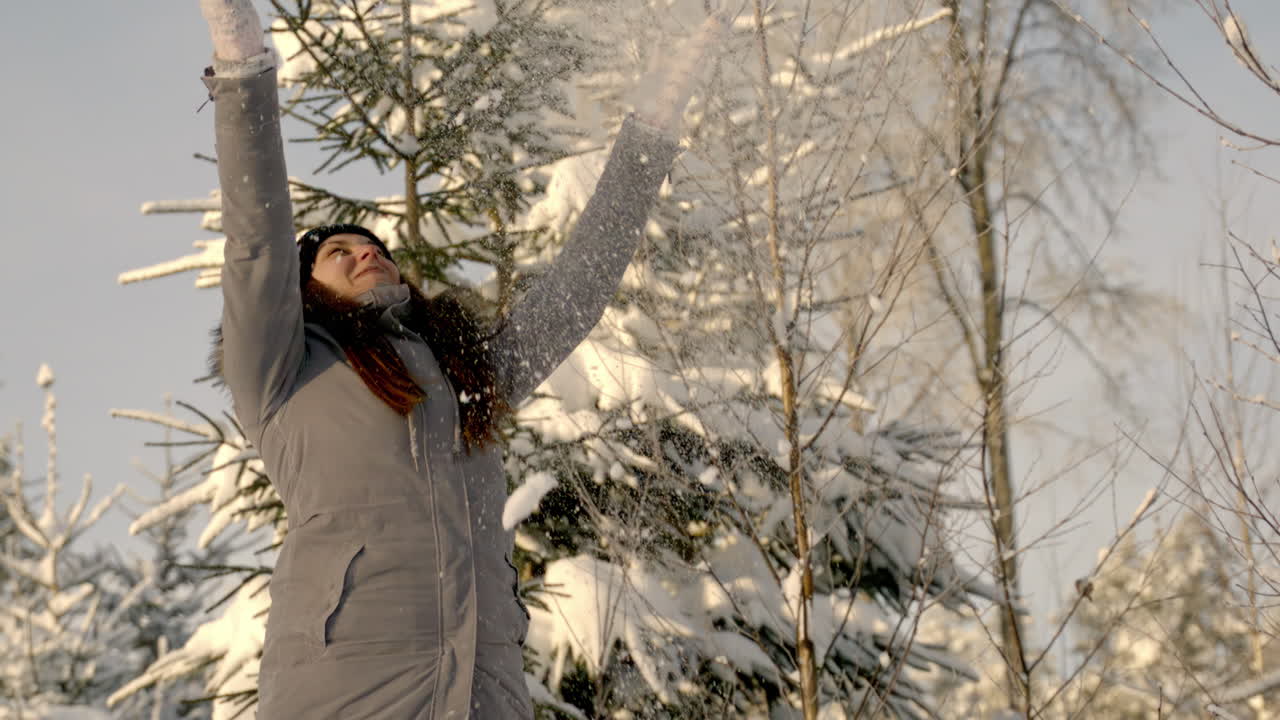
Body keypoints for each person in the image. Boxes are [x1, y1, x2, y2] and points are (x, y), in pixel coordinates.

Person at [196, 1, 724, 717]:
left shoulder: (464, 373)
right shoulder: (286, 370)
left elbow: (582, 283)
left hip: (483, 687)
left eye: (374, 246)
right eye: (338, 253)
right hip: (345, 687)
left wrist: (652, 128)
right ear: (302, 291)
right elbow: (256, 239)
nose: (366, 253)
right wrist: (243, 63)